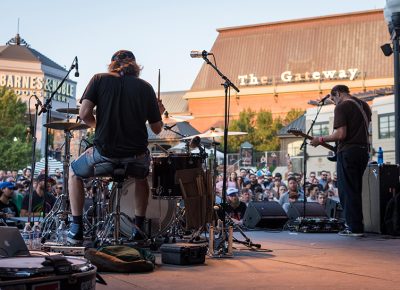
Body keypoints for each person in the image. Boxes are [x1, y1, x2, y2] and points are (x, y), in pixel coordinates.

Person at [67, 50, 165, 245]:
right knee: (141, 177)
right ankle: (138, 229)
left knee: (73, 172)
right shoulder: (146, 87)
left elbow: (84, 114)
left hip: (104, 154)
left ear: (111, 64)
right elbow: (157, 128)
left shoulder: (98, 79)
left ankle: (76, 228)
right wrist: (159, 112)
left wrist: (100, 125)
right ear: (136, 67)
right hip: (136, 156)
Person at [311, 84, 371, 237]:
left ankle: (354, 228)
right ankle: (357, 225)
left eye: (333, 98)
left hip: (349, 152)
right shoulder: (363, 105)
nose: (334, 102)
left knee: (347, 190)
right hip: (363, 151)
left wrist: (321, 139)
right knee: (355, 189)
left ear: (337, 93)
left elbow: (341, 134)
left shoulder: (342, 107)